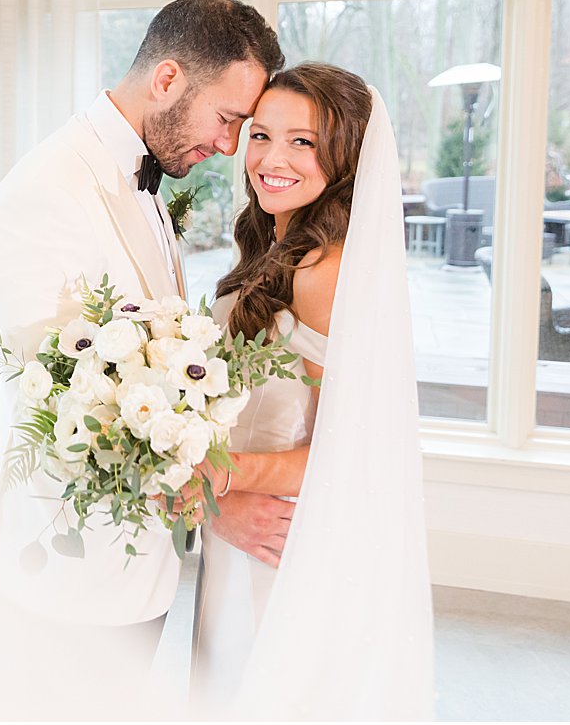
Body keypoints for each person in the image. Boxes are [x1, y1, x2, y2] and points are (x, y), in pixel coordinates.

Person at [0, 0, 285, 628]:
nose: (229, 147)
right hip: (64, 585)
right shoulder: (45, 196)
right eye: (226, 118)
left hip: (137, 572)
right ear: (167, 79)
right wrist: (215, 507)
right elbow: (67, 410)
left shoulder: (140, 172)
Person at [188, 62, 435, 719]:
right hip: (237, 521)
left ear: (346, 154)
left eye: (303, 141)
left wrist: (215, 475)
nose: (272, 157)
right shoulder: (272, 244)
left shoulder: (324, 269)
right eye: (261, 134)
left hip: (282, 534)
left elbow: (347, 446)